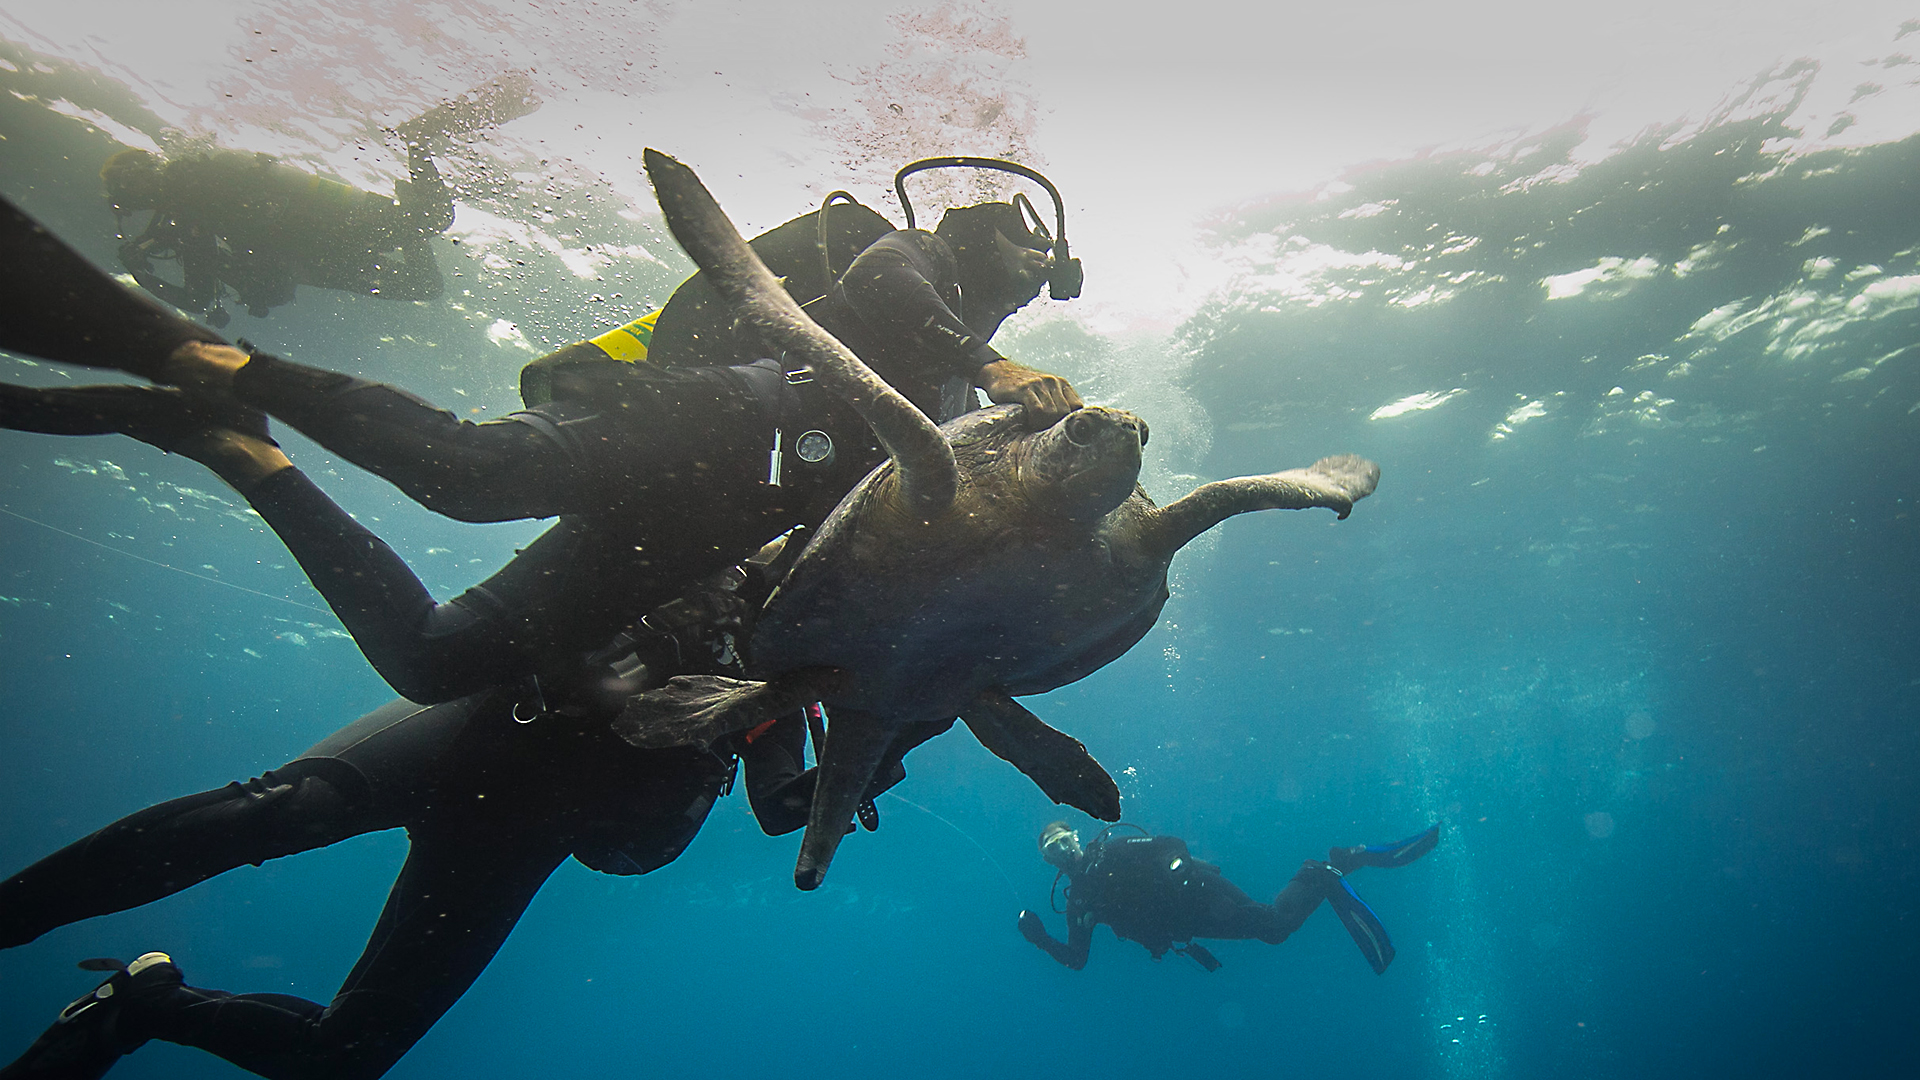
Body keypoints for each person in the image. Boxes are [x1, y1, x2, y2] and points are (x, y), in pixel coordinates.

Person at [102, 73, 539, 326]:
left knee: (431, 225)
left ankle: (417, 143)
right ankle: (415, 160)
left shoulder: (187, 202)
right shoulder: (189, 198)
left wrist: (142, 274)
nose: (126, 204)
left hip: (328, 234)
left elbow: (199, 299)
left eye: (124, 193)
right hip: (325, 243)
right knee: (426, 275)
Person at [1017, 821, 1441, 974]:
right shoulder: (1078, 904)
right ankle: (1334, 866)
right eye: (1052, 851)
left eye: (1064, 841)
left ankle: (1323, 871)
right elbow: (1077, 958)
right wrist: (1038, 937)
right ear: (1048, 861)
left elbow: (1170, 842)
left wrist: (1176, 868)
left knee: (1274, 928)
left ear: (1076, 837)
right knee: (1274, 929)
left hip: (1201, 894)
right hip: (1186, 925)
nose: (1063, 851)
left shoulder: (1113, 850)